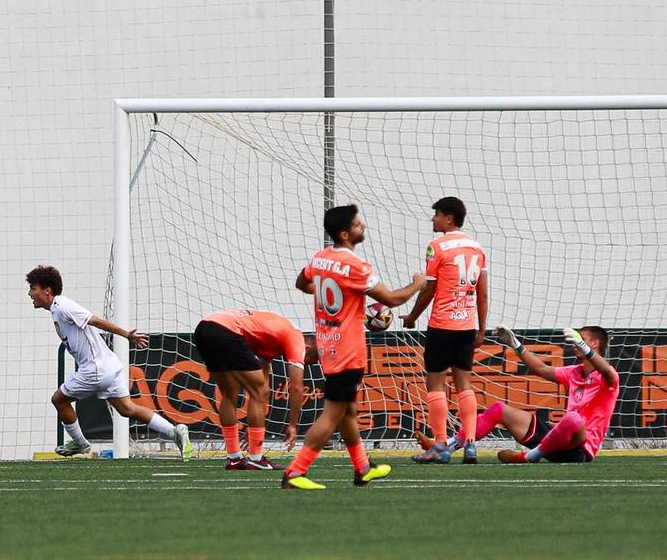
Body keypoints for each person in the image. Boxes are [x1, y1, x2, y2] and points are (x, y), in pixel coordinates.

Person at [283, 204, 424, 490]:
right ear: (345, 233)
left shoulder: (320, 258)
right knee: (333, 413)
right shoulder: (356, 267)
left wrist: (323, 291)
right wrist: (417, 284)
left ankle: (362, 468)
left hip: (327, 346)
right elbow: (393, 299)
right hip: (348, 350)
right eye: (358, 224)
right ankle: (294, 472)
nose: (363, 227)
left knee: (348, 410)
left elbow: (302, 282)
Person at [25, 265, 192, 460]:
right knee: (126, 409)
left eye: (33, 288)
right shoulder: (56, 310)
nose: (30, 293)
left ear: (47, 291)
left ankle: (80, 443)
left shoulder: (62, 306)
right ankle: (175, 432)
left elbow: (95, 321)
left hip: (96, 369)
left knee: (58, 400)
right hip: (110, 366)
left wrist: (127, 335)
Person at [421, 326, 620, 463]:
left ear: (594, 343)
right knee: (499, 409)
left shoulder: (608, 377)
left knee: (573, 419)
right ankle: (447, 447)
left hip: (579, 450)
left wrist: (585, 350)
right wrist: (516, 344)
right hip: (555, 439)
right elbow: (541, 369)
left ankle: (529, 457)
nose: (575, 342)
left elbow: (607, 372)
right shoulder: (574, 371)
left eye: (581, 339)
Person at [399, 196, 490, 464]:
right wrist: (481, 330)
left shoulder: (437, 246)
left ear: (449, 218)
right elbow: (482, 295)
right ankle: (470, 444)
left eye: (437, 214)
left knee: (435, 385)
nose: (433, 219)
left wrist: (413, 316)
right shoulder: (477, 248)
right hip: (466, 326)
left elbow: (430, 289)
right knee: (465, 384)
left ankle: (440, 445)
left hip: (442, 324)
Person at [191, 307, 309, 471]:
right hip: (227, 331)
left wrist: (254, 427)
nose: (304, 362)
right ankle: (256, 457)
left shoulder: (270, 335)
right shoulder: (296, 336)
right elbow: (296, 387)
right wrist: (293, 426)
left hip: (203, 328)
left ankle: (234, 458)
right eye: (307, 360)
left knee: (229, 393)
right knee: (259, 391)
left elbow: (263, 374)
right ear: (308, 348)